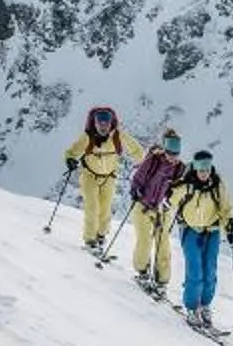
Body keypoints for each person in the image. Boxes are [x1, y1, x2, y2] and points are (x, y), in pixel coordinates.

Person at [170, 150, 233, 331]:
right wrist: (165, 204)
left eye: (207, 168)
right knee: (195, 271)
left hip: (212, 231)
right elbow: (171, 198)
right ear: (195, 167)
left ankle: (205, 305)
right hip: (190, 231)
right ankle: (192, 308)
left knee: (210, 272)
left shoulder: (217, 185)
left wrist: (229, 228)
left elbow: (225, 209)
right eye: (201, 168)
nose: (204, 172)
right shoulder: (187, 184)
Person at [60, 105, 137, 254]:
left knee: (105, 209)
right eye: (99, 123)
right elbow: (72, 151)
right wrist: (69, 159)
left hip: (109, 177)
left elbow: (136, 149)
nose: (103, 126)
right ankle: (90, 240)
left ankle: (101, 236)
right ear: (95, 123)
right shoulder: (88, 136)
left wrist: (143, 163)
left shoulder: (117, 136)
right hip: (89, 176)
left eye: (106, 123)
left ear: (110, 123)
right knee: (92, 207)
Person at [126, 129, 185, 298]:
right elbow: (138, 178)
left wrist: (172, 202)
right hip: (143, 206)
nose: (173, 156)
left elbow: (178, 190)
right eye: (170, 151)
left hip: (162, 210)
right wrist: (136, 191)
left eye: (176, 151)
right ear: (165, 148)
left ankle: (161, 281)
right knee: (145, 240)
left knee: (163, 244)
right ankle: (142, 272)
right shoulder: (153, 161)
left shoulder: (179, 168)